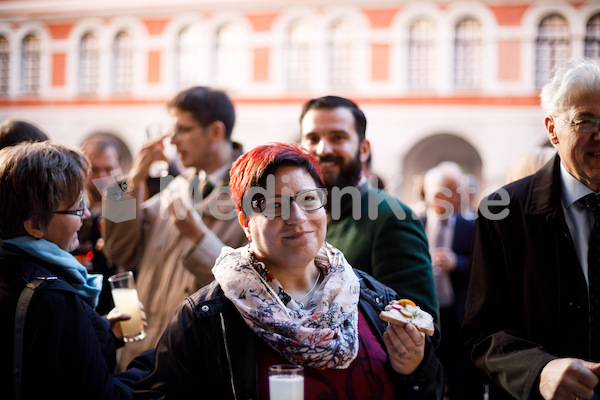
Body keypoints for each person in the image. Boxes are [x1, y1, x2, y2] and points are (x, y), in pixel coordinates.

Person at [134, 143, 445, 399]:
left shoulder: (374, 299)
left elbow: (429, 389)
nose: (297, 217)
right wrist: (128, 181)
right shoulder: (207, 317)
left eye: (309, 200)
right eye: (275, 205)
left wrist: (415, 369)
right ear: (246, 222)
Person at [462, 57, 600, 400]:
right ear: (552, 129)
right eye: (586, 120)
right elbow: (483, 334)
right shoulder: (502, 211)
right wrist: (539, 370)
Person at [103, 86, 248, 371]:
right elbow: (119, 249)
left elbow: (247, 288)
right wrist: (132, 180)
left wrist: (198, 235)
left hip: (187, 365)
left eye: (183, 129)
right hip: (136, 355)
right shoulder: (177, 187)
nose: (172, 140)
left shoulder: (252, 198)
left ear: (216, 132)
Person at [0, 141, 147, 399]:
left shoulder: (13, 268)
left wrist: (102, 333)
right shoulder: (54, 298)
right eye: (77, 207)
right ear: (35, 224)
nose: (86, 213)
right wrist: (155, 365)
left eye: (108, 169)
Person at [298, 95, 439, 345]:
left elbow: (421, 327)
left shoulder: (393, 217)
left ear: (363, 149)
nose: (323, 149)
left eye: (337, 137)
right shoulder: (302, 214)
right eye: (313, 139)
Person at [421, 161, 475, 400]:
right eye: (451, 192)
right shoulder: (416, 223)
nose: (456, 198)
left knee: (457, 377)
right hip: (424, 314)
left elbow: (481, 268)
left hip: (457, 314)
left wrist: (457, 263)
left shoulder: (470, 226)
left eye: (458, 192)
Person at [76, 134, 124, 315]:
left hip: (116, 304)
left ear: (118, 168)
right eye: (95, 170)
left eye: (108, 169)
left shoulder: (125, 206)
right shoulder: (71, 204)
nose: (102, 177)